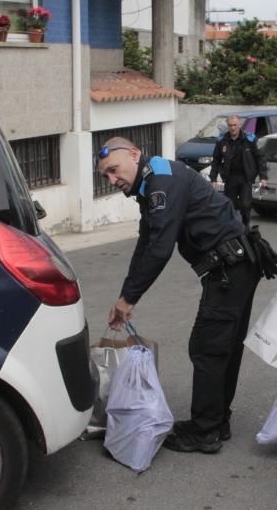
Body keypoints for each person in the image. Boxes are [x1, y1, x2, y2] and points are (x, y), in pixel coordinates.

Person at [98, 137, 267, 454]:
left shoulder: (161, 183)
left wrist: (129, 299)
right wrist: (125, 297)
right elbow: (145, 245)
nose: (111, 180)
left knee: (208, 347)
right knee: (222, 346)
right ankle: (217, 421)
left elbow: (160, 249)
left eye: (113, 169)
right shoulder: (153, 180)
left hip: (231, 268)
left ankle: (204, 431)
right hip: (237, 264)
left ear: (134, 154)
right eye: (105, 175)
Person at [209, 116, 268, 227]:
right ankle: (232, 228)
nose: (233, 128)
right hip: (230, 177)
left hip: (246, 177)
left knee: (245, 205)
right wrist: (213, 179)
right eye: (230, 125)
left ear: (240, 125)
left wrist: (263, 177)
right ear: (228, 126)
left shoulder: (250, 139)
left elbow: (260, 158)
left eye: (235, 125)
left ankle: (245, 227)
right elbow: (216, 160)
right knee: (230, 206)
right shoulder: (222, 140)